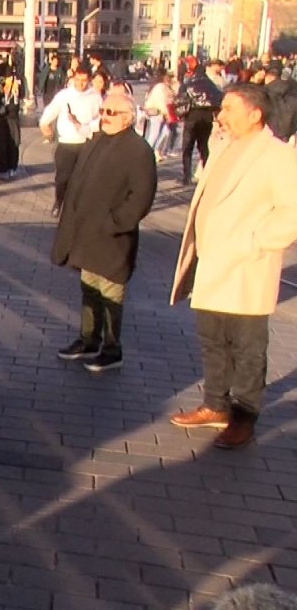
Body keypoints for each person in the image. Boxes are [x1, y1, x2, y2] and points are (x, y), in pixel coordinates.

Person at [169, 84, 297, 449]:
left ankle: (244, 416)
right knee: (212, 341)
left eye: (228, 108)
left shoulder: (277, 156)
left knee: (247, 348)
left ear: (255, 114)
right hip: (211, 264)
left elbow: (292, 211)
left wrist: (257, 241)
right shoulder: (222, 145)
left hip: (246, 267)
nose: (219, 115)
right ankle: (215, 404)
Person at [51, 94, 157, 372]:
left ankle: (112, 349)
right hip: (87, 233)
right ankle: (88, 339)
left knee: (110, 292)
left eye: (111, 111)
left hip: (112, 237)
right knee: (89, 288)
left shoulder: (138, 150)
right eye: (102, 110)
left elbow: (141, 197)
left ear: (127, 117)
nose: (105, 115)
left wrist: (115, 222)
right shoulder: (97, 140)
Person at [40, 68, 101, 217]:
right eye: (78, 80)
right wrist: (44, 125)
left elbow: (100, 118)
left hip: (86, 142)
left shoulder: (95, 96)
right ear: (73, 79)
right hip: (66, 143)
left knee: (83, 178)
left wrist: (88, 127)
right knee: (62, 178)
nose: (81, 83)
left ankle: (76, 208)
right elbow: (50, 111)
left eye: (84, 80)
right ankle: (59, 201)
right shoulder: (64, 95)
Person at [175, 66, 223, 186]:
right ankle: (207, 174)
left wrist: (180, 114)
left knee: (187, 148)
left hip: (192, 117)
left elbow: (180, 100)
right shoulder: (211, 85)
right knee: (204, 147)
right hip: (207, 117)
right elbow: (218, 99)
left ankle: (187, 176)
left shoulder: (189, 84)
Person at [0, 62, 23, 180]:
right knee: (13, 140)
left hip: (0, 113)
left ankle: (3, 167)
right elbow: (23, 93)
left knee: (0, 141)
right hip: (14, 113)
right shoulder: (18, 78)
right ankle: (12, 168)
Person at [141, 69, 173, 159]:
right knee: (154, 135)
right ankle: (147, 153)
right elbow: (161, 101)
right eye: (168, 76)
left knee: (163, 133)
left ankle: (154, 151)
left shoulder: (161, 86)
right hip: (157, 113)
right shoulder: (160, 87)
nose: (170, 79)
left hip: (159, 113)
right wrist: (167, 113)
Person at [263, 66, 297, 144]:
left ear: (268, 78)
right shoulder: (293, 93)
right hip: (289, 136)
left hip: (269, 133)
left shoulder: (265, 92)